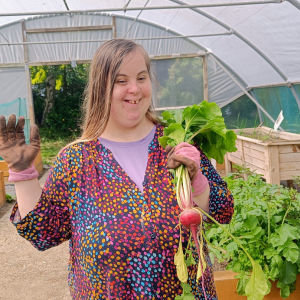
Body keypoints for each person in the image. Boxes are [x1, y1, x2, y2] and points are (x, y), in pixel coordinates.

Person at [0, 39, 234, 300]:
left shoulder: (177, 142)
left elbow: (222, 212)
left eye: (141, 78)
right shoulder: (76, 160)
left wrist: (198, 181)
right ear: (101, 87)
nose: (134, 89)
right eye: (121, 81)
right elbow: (44, 233)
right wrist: (21, 172)